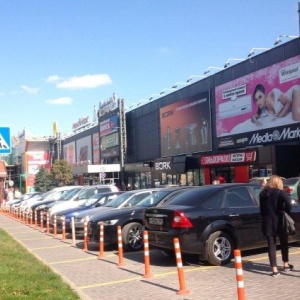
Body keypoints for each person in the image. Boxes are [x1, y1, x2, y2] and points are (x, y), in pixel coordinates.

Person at [259, 175, 294, 276]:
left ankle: (274, 270)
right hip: (279, 220)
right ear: (278, 183)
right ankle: (286, 264)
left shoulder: (262, 193)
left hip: (267, 221)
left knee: (271, 245)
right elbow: (289, 205)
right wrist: (284, 210)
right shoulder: (279, 192)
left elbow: (261, 209)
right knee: (284, 243)